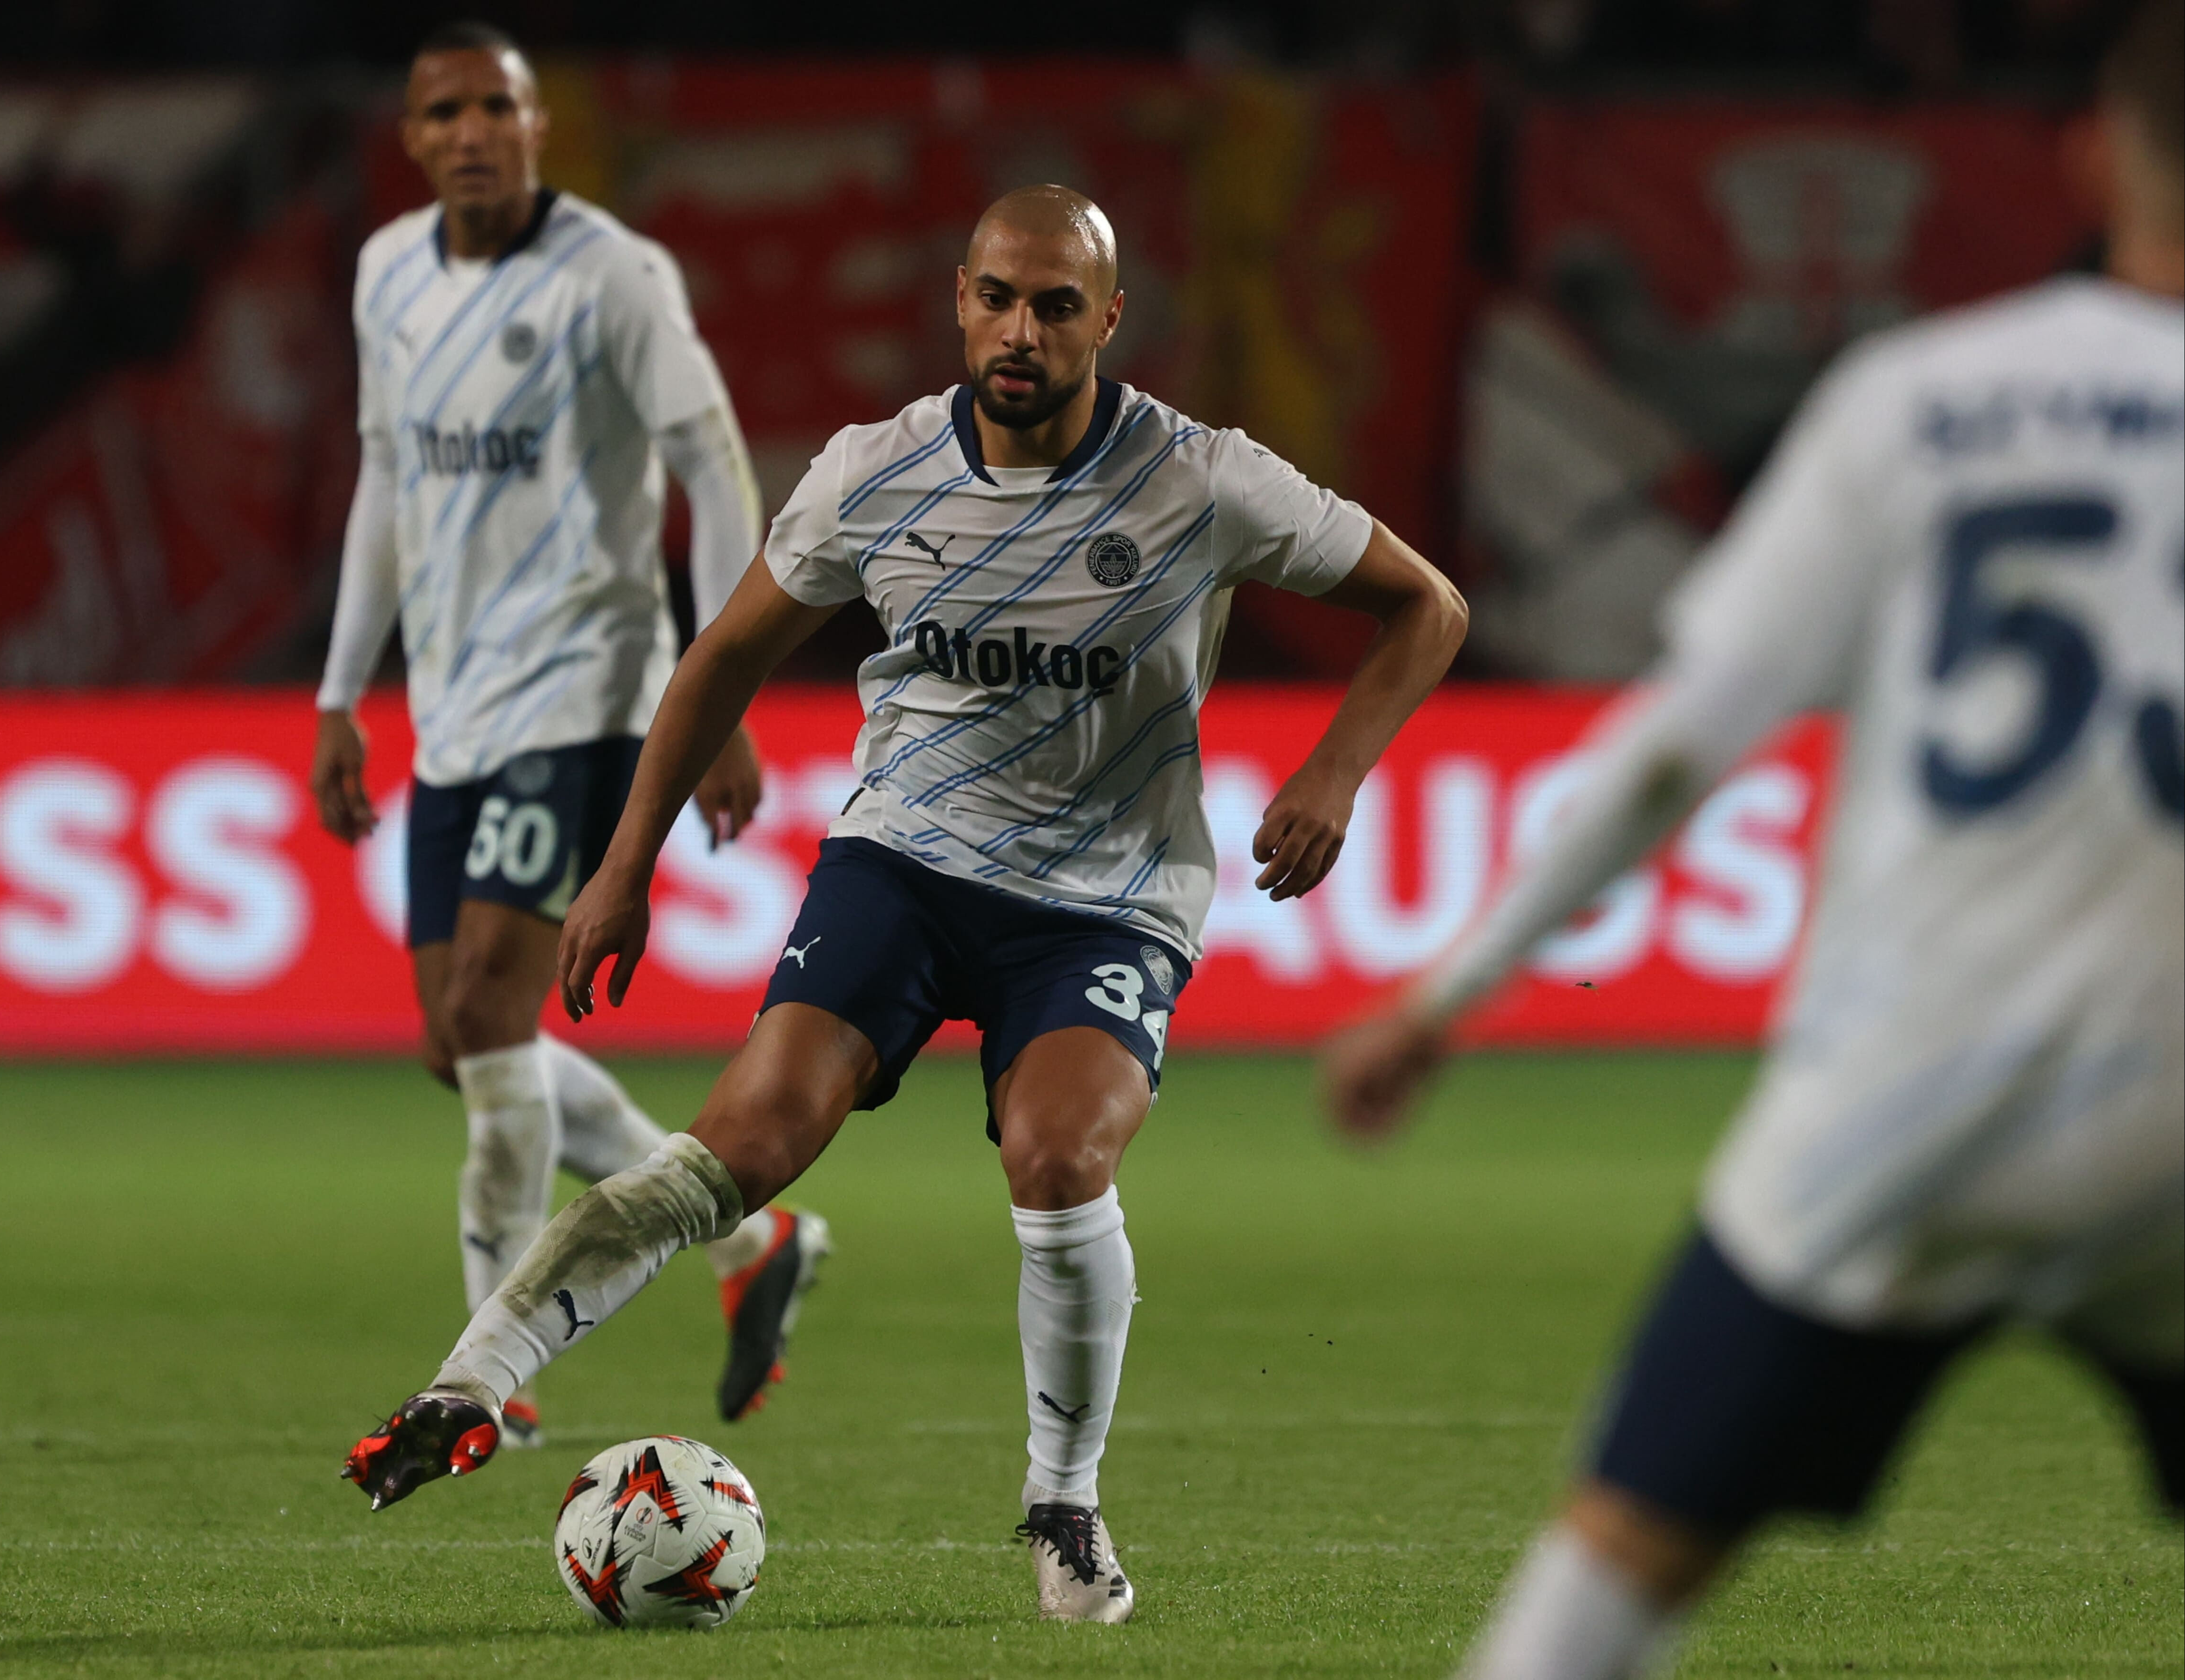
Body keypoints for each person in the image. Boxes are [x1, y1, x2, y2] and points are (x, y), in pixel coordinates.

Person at [340, 183, 1470, 1621]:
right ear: (960, 298)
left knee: (1059, 1159)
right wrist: (623, 868)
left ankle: (1065, 1499)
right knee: (740, 1141)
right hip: (906, 860)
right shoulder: (874, 472)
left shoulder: (1202, 478)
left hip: (1106, 895)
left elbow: (1428, 604)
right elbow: (719, 660)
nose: (1023, 329)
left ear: (1110, 322)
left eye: (1060, 305)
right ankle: (464, 1388)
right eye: (1000, 295)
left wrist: (1335, 770)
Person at [1323, 5, 2184, 1673]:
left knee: (1622, 1558)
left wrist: (1446, 996)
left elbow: (1675, 751)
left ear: (2089, 152)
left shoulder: (1924, 402)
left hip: (1915, 1093)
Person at [309, 21, 829, 1445]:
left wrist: (718, 692)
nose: (473, 130)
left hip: (591, 691)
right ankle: (750, 1245)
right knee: (455, 1038)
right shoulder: (388, 276)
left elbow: (714, 467)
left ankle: (488, 1371)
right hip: (454, 709)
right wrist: (341, 693)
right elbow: (383, 486)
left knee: (488, 1012)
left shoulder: (614, 275)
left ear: (539, 125)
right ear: (411, 138)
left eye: (500, 106)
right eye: (444, 111)